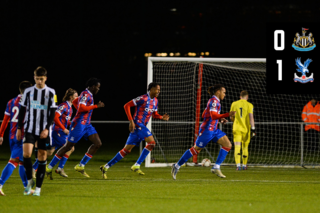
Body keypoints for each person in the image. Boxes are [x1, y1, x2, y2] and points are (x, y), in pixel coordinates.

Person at [100, 82, 169, 179]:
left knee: (126, 151)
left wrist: (162, 117)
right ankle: (137, 165)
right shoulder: (143, 98)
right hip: (138, 125)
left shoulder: (156, 101)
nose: (159, 91)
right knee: (152, 143)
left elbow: (154, 114)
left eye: (159, 89)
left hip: (140, 128)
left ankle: (105, 167)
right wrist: (131, 121)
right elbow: (126, 106)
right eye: (157, 89)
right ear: (152, 89)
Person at [171, 84, 236, 180]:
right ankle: (176, 166)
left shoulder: (215, 101)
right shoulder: (214, 101)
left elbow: (204, 114)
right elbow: (213, 116)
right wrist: (227, 114)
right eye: (224, 92)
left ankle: (216, 167)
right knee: (196, 150)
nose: (224, 94)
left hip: (214, 129)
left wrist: (220, 118)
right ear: (218, 91)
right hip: (207, 130)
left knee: (227, 145)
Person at [46, 78, 105, 178]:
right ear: (93, 86)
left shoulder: (88, 94)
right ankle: (49, 167)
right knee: (68, 147)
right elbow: (81, 107)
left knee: (98, 143)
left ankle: (81, 166)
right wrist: (96, 106)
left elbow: (75, 102)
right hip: (79, 124)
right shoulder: (86, 94)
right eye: (98, 87)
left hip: (87, 124)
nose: (98, 89)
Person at [16, 66, 58, 196]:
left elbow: (52, 112)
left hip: (43, 131)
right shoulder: (28, 91)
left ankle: (38, 189)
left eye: (41, 79)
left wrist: (47, 128)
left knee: (42, 157)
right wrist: (19, 128)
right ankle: (30, 181)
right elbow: (22, 110)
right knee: (26, 155)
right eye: (37, 78)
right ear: (34, 78)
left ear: (45, 78)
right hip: (29, 128)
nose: (39, 81)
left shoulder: (51, 92)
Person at [33, 88, 78, 179]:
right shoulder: (63, 106)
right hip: (58, 131)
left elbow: (66, 121)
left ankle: (33, 169)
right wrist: (64, 128)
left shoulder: (70, 108)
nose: (78, 98)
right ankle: (58, 168)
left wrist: (74, 124)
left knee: (49, 152)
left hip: (60, 132)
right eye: (76, 96)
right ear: (70, 97)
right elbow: (55, 117)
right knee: (70, 147)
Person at [0, 81, 33, 196]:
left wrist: (0, 135)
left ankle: (26, 188)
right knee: (13, 161)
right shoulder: (29, 102)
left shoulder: (11, 101)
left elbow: (5, 120)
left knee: (22, 162)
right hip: (22, 136)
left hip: (12, 136)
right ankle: (0, 184)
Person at [230, 90, 255, 170]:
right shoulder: (249, 105)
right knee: (245, 147)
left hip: (236, 128)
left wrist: (235, 121)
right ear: (247, 97)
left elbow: (231, 117)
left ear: (240, 97)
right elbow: (251, 118)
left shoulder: (234, 104)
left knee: (237, 146)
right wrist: (253, 129)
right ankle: (244, 165)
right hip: (246, 129)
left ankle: (238, 165)